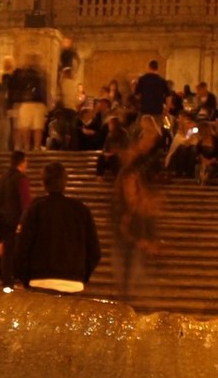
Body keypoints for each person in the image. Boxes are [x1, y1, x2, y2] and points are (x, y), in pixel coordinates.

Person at [11, 162, 104, 294]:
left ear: (43, 183)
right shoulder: (81, 210)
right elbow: (95, 251)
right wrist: (81, 275)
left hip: (40, 280)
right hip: (73, 283)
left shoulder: (35, 209)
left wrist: (25, 277)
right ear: (65, 182)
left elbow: (21, 247)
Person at [114, 115, 166, 301]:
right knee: (129, 281)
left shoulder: (140, 169)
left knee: (134, 281)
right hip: (129, 234)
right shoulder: (129, 173)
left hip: (135, 234)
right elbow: (125, 219)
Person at [0, 150, 31, 284]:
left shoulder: (1, 179)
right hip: (15, 222)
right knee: (11, 253)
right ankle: (9, 281)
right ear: (22, 162)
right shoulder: (21, 178)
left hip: (0, 221)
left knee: (4, 253)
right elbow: (25, 202)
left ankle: (2, 277)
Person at [10, 55, 49, 152]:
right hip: (36, 102)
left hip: (26, 102)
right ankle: (35, 147)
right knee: (36, 127)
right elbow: (44, 90)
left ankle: (28, 147)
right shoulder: (41, 74)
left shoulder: (21, 73)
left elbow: (16, 88)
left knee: (27, 127)